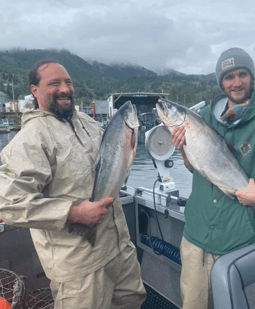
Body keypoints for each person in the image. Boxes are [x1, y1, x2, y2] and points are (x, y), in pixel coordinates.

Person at [0, 60, 146, 309]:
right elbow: (9, 203)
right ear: (35, 90)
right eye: (54, 83)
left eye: (68, 82)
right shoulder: (30, 139)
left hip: (120, 248)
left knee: (131, 301)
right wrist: (73, 213)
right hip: (79, 267)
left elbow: (116, 167)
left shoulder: (88, 124)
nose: (65, 89)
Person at [171, 47, 255, 309]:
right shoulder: (202, 118)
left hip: (241, 244)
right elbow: (197, 169)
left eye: (242, 74)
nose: (236, 82)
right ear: (220, 83)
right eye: (228, 76)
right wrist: (182, 150)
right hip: (195, 239)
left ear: (252, 77)